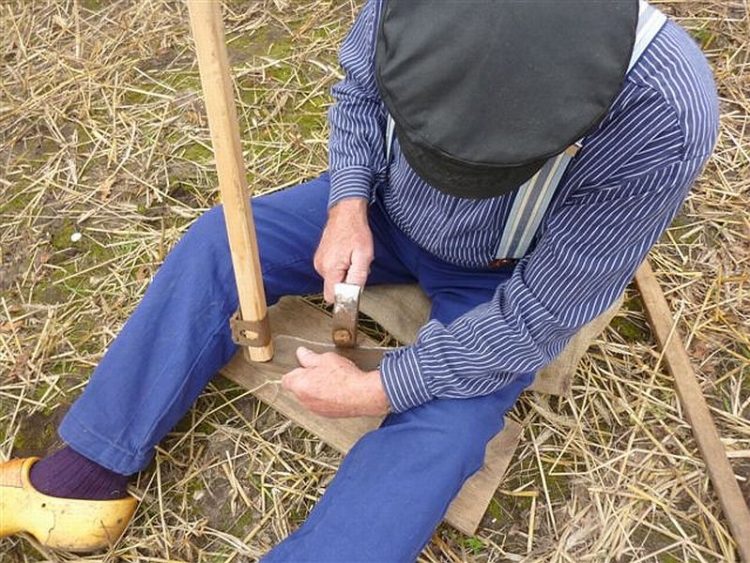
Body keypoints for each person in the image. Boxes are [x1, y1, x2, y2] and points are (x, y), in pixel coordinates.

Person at [0, 0, 718, 560]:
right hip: (383, 210)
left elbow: (537, 319)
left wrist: (378, 388)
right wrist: (348, 205)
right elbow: (360, 96)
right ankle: (86, 479)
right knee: (224, 241)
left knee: (449, 426)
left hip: (506, 275)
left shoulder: (664, 109)